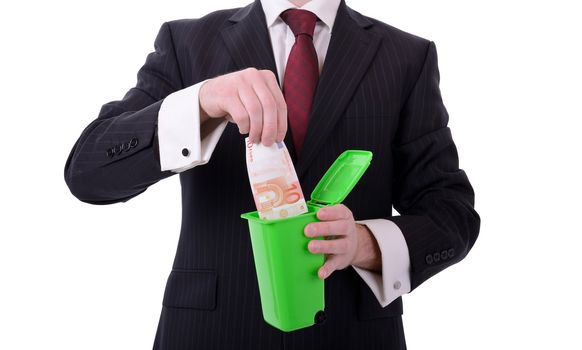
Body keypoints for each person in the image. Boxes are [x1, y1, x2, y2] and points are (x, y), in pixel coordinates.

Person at [64, 0, 480, 348]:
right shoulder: (186, 42)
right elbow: (88, 170)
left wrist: (367, 244)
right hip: (209, 333)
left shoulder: (406, 56)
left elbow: (451, 214)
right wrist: (201, 102)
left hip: (350, 335)